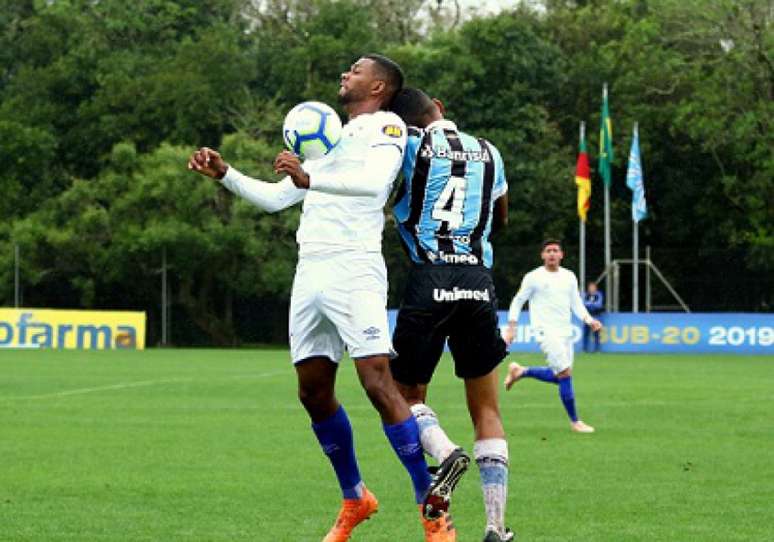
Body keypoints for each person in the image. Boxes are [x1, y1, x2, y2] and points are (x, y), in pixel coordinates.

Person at [188, 55, 455, 542]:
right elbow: (276, 198)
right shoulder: (330, 137)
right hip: (310, 269)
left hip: (354, 266)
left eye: (355, 70)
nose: (344, 75)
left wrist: (311, 179)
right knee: (312, 391)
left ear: (378, 85)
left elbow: (374, 185)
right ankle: (356, 497)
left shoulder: (388, 127)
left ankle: (430, 508)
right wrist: (225, 174)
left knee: (378, 382)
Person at [389, 87, 514, 542]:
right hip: (478, 283)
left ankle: (444, 453)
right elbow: (500, 220)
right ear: (439, 107)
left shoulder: (406, 146)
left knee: (402, 395)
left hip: (429, 278)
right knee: (486, 407)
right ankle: (495, 526)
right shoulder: (489, 151)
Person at [502, 240, 602, 434]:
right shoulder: (534, 277)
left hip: (565, 331)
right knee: (565, 374)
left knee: (560, 376)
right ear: (542, 255)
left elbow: (576, 303)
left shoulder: (569, 276)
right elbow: (517, 301)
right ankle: (575, 422)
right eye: (548, 251)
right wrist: (512, 327)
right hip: (545, 331)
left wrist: (589, 320)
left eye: (555, 250)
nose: (552, 254)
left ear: (561, 255)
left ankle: (521, 371)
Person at [582, 281, 604, 353]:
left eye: (593, 287)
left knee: (596, 334)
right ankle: (585, 349)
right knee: (586, 333)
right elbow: (583, 304)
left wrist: (590, 304)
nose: (591, 288)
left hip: (596, 317)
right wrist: (591, 304)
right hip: (587, 318)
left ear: (595, 288)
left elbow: (599, 305)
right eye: (590, 287)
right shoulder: (585, 295)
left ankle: (597, 349)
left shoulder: (598, 295)